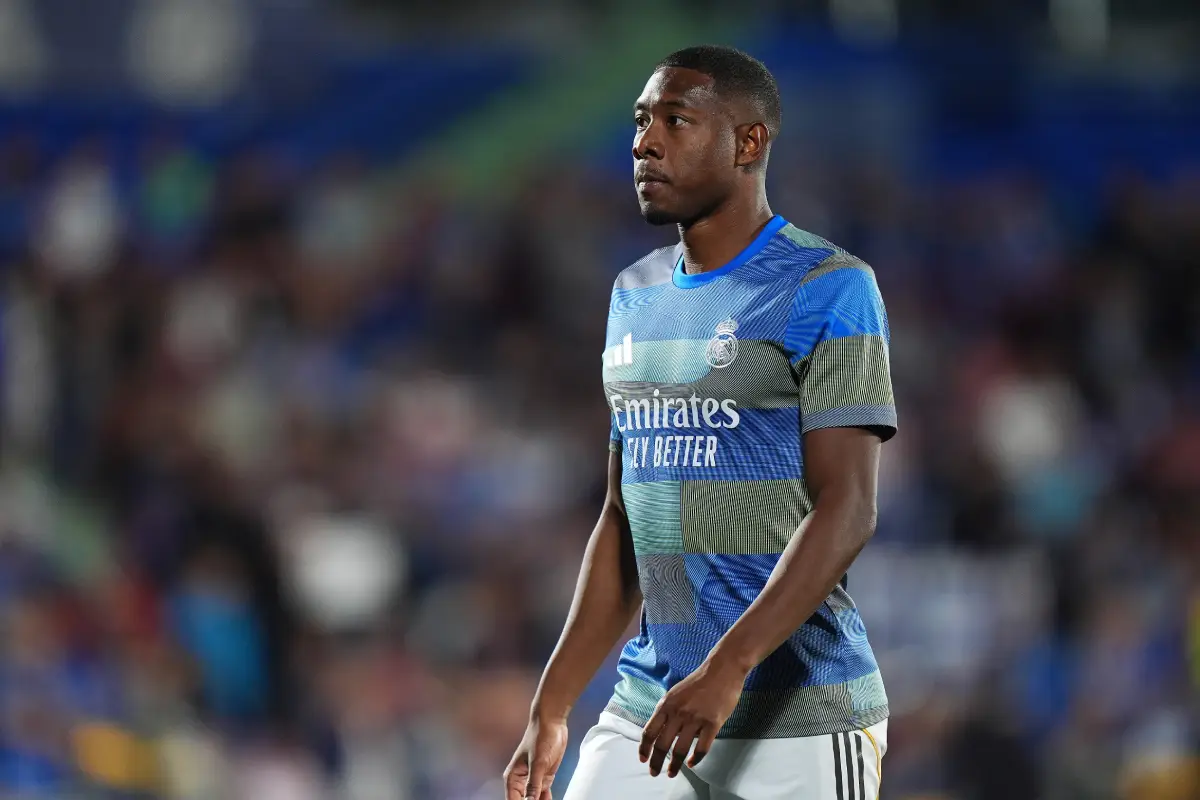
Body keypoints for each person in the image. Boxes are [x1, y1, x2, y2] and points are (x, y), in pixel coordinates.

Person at [504, 45, 897, 800]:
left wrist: (730, 666)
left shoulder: (830, 286)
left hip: (801, 715)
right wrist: (552, 705)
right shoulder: (634, 294)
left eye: (675, 120)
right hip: (652, 705)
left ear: (749, 143)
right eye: (640, 121)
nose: (643, 142)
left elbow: (849, 508)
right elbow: (625, 519)